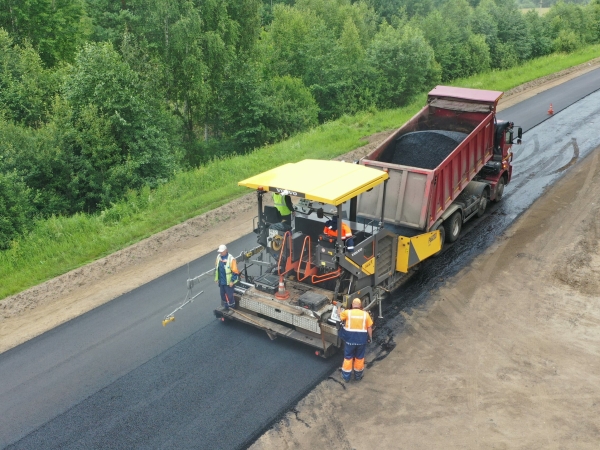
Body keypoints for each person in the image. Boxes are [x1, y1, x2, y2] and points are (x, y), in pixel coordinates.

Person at [337, 298, 373, 382]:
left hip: (350, 340)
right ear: (360, 305)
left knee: (348, 358)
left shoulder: (347, 312)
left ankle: (346, 377)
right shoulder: (365, 314)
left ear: (352, 305)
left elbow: (339, 315)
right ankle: (358, 376)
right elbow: (369, 327)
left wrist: (338, 306)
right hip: (361, 341)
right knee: (359, 358)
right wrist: (370, 337)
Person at [214, 244, 239, 309]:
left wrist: (232, 281)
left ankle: (232, 306)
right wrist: (216, 278)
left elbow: (235, 271)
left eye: (222, 251)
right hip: (222, 281)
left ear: (226, 250)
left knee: (230, 295)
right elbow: (217, 268)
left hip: (228, 282)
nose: (220, 253)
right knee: (222, 295)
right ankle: (226, 305)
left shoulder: (231, 259)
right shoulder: (218, 257)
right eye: (220, 252)